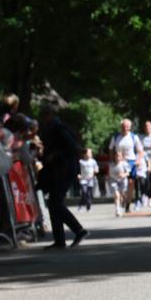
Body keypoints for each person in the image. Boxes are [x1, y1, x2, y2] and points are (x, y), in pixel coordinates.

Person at [37, 103, 87, 248]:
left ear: (50, 115)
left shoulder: (58, 128)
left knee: (55, 202)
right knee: (54, 202)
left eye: (44, 116)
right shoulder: (55, 127)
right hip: (60, 170)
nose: (43, 119)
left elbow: (71, 146)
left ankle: (78, 230)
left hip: (64, 170)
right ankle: (59, 239)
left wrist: (55, 155)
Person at [108, 119, 143, 212]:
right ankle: (122, 199)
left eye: (127, 126)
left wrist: (138, 160)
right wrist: (112, 160)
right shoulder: (115, 137)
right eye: (123, 126)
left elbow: (140, 150)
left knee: (131, 183)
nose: (125, 128)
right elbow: (110, 149)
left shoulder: (133, 137)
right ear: (121, 127)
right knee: (120, 183)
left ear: (130, 127)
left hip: (131, 162)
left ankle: (128, 204)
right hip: (119, 163)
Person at [109, 151, 129, 216]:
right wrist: (115, 176)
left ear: (122, 157)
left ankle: (122, 206)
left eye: (119, 156)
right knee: (117, 195)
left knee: (122, 195)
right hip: (114, 181)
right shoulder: (111, 165)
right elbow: (110, 174)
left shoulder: (124, 164)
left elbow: (128, 173)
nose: (117, 157)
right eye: (116, 156)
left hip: (123, 181)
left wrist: (123, 175)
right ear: (114, 156)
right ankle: (117, 209)